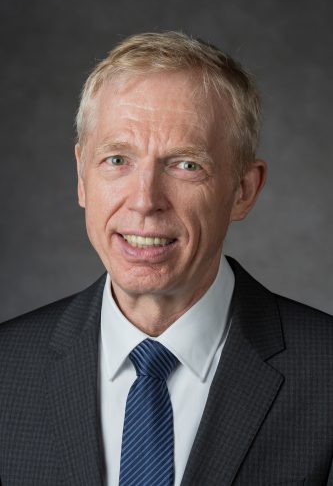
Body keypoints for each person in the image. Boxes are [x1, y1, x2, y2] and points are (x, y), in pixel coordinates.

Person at [0, 32, 332, 486]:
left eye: (186, 165)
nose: (144, 201)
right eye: (117, 159)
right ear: (81, 177)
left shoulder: (326, 372)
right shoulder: (6, 368)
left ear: (243, 190)